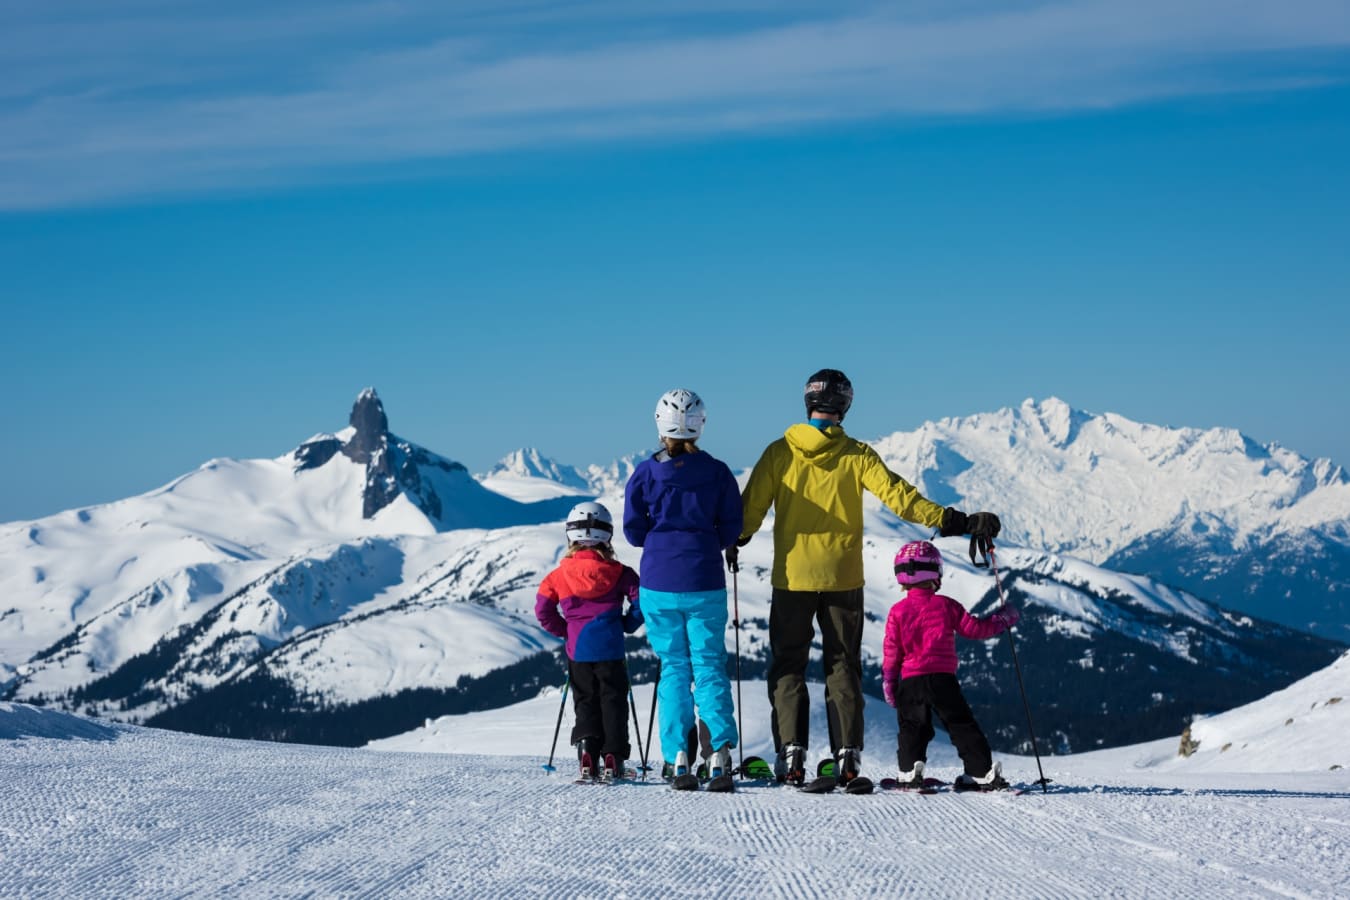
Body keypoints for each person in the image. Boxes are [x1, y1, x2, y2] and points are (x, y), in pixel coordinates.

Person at [733, 368, 1001, 786]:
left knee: (788, 665)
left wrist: (735, 539)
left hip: (792, 579)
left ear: (808, 403)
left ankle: (791, 753)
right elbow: (901, 497)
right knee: (843, 665)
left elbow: (748, 512)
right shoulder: (857, 454)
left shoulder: (778, 453)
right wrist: (956, 521)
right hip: (843, 577)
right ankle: (847, 756)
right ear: (845, 406)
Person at [623, 389, 744, 785]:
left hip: (659, 580)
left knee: (674, 667)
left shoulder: (644, 473)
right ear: (700, 425)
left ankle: (678, 754)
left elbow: (633, 531)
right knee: (708, 665)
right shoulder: (719, 472)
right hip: (704, 578)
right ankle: (719, 753)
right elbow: (731, 528)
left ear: (659, 424)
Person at [883, 540, 1019, 789]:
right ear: (936, 574)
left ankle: (909, 771)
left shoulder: (897, 611)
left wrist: (890, 682)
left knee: (912, 727)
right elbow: (975, 630)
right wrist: (1002, 620)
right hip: (943, 680)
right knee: (960, 724)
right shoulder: (947, 605)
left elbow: (892, 652)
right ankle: (980, 772)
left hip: (911, 680)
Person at [535, 501, 643, 781]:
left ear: (570, 535)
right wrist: (627, 624)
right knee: (614, 701)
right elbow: (641, 601)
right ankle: (613, 758)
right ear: (607, 535)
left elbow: (543, 611)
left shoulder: (557, 576)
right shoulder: (621, 572)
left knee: (585, 701)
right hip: (611, 649)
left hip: (578, 650)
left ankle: (587, 753)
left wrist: (566, 630)